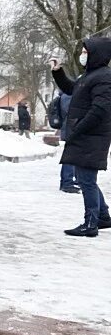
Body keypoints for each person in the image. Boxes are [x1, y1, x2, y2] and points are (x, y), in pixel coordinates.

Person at [50, 37, 111, 236]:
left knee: (86, 180)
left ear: (96, 53)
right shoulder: (89, 76)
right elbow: (71, 89)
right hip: (85, 136)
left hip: (91, 137)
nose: (82, 55)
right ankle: (102, 216)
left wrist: (78, 128)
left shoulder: (104, 77)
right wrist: (58, 71)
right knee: (85, 178)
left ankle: (90, 223)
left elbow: (100, 109)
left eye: (86, 52)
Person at [50, 91, 79, 192]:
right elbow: (72, 112)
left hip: (70, 129)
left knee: (73, 156)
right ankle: (67, 182)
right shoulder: (69, 96)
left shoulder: (65, 95)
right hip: (71, 130)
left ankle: (69, 181)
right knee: (70, 157)